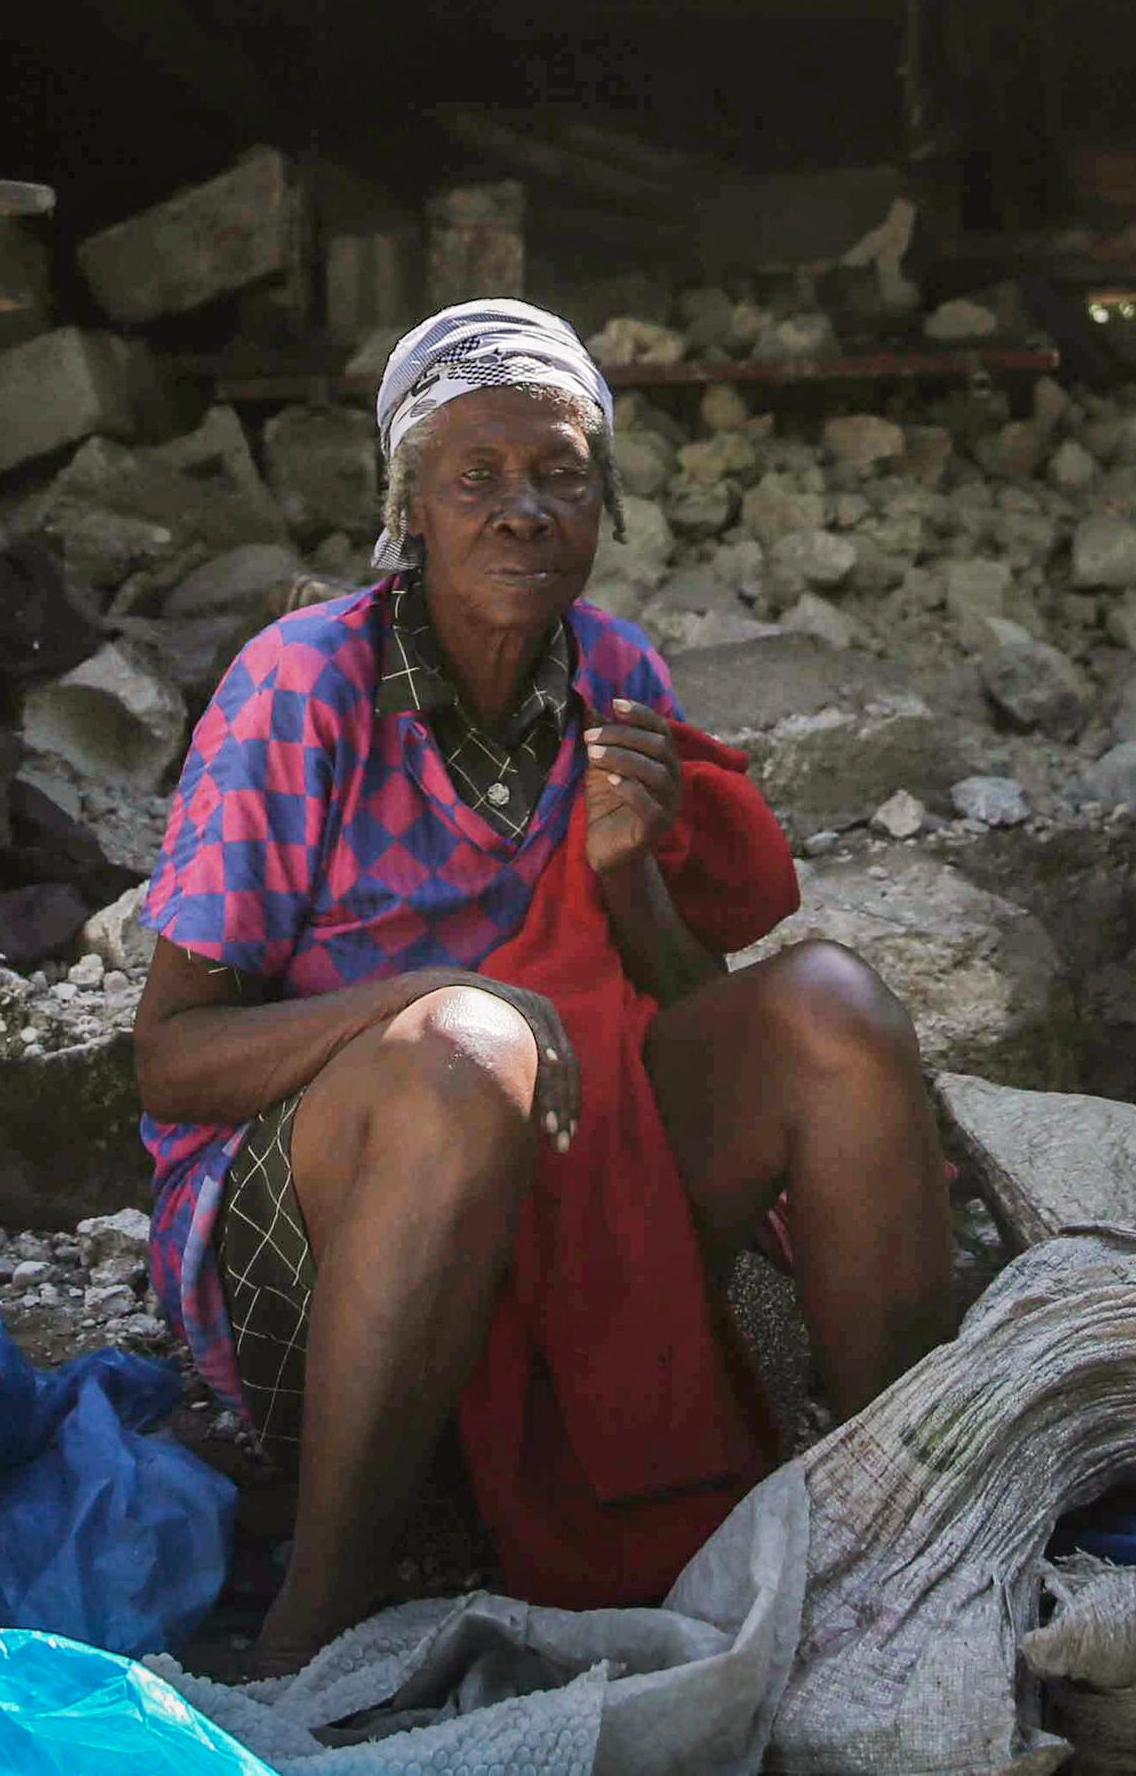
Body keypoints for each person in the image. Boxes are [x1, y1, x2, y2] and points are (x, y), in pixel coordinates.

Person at [133, 299, 958, 1665]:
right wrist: (448, 1002)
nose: (523, 510)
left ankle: (925, 1521)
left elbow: (678, 1004)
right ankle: (317, 1618)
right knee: (462, 1051)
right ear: (409, 506)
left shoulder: (616, 673)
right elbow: (172, 1059)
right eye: (477, 478)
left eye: (560, 474)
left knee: (834, 1010)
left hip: (578, 1179)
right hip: (320, 1232)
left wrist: (630, 873)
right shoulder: (303, 685)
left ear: (603, 498)